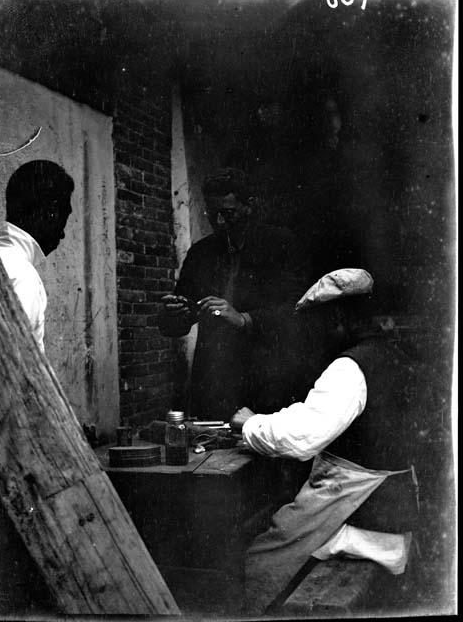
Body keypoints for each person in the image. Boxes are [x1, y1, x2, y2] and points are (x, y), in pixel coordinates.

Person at [230, 268, 420, 614]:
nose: (314, 334)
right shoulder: (392, 355)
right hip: (389, 507)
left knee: (259, 558)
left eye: (318, 323)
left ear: (337, 316)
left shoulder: (349, 368)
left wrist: (250, 425)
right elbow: (314, 414)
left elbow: (304, 437)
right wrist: (268, 421)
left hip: (360, 511)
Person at [159, 167, 305, 421]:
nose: (219, 223)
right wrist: (175, 315)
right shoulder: (200, 253)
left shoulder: (280, 244)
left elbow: (296, 312)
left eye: (228, 214)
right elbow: (177, 325)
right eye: (211, 214)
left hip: (266, 381)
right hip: (214, 384)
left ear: (249, 206)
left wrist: (244, 319)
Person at [0, 160, 74, 352]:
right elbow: (9, 374)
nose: (62, 234)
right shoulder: (22, 277)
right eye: (64, 218)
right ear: (50, 213)